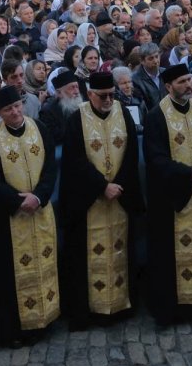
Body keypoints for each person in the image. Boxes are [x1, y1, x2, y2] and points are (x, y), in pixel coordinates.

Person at [59, 71, 142, 330]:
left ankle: (120, 304)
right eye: (103, 96)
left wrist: (119, 185)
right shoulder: (77, 119)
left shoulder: (123, 113)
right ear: (90, 94)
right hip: (89, 202)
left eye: (111, 95)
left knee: (121, 250)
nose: (108, 100)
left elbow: (131, 154)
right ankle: (91, 310)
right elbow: (75, 161)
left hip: (120, 197)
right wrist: (102, 186)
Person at [0, 85, 60, 347]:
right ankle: (14, 329)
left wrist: (39, 196)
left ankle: (44, 319)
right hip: (8, 218)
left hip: (40, 212)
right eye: (7, 109)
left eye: (16, 106)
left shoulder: (40, 129)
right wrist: (18, 201)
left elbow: (50, 168)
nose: (14, 112)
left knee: (44, 265)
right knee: (9, 276)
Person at [142, 63, 192, 326]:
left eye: (188, 80)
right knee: (169, 254)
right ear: (168, 86)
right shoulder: (156, 116)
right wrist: (187, 173)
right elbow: (155, 159)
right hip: (172, 198)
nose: (187, 86)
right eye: (181, 82)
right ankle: (173, 309)